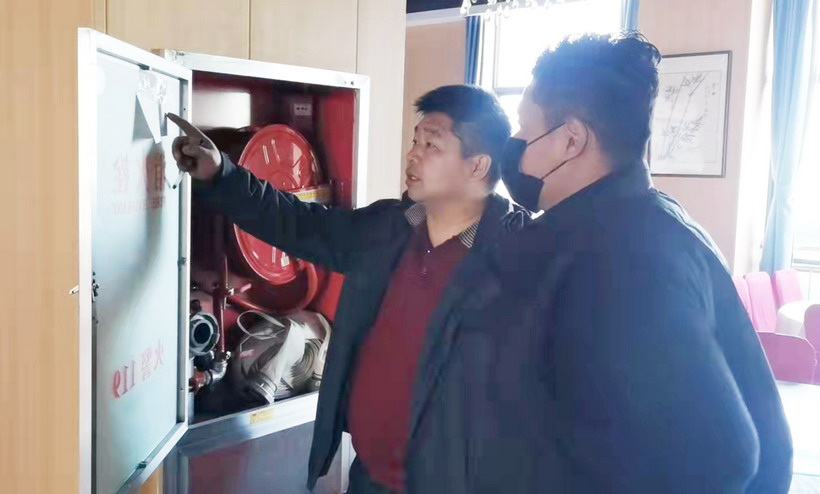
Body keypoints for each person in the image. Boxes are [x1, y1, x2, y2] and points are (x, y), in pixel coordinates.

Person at [408, 32, 791, 493]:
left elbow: (720, 455)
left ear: (571, 139)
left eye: (526, 129)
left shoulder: (622, 259)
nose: (516, 145)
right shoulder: (652, 222)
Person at [166, 85, 523, 494]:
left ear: (478, 165)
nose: (412, 155)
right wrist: (221, 174)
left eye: (432, 145)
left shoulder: (518, 261)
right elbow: (298, 222)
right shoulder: (389, 228)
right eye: (415, 141)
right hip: (370, 473)